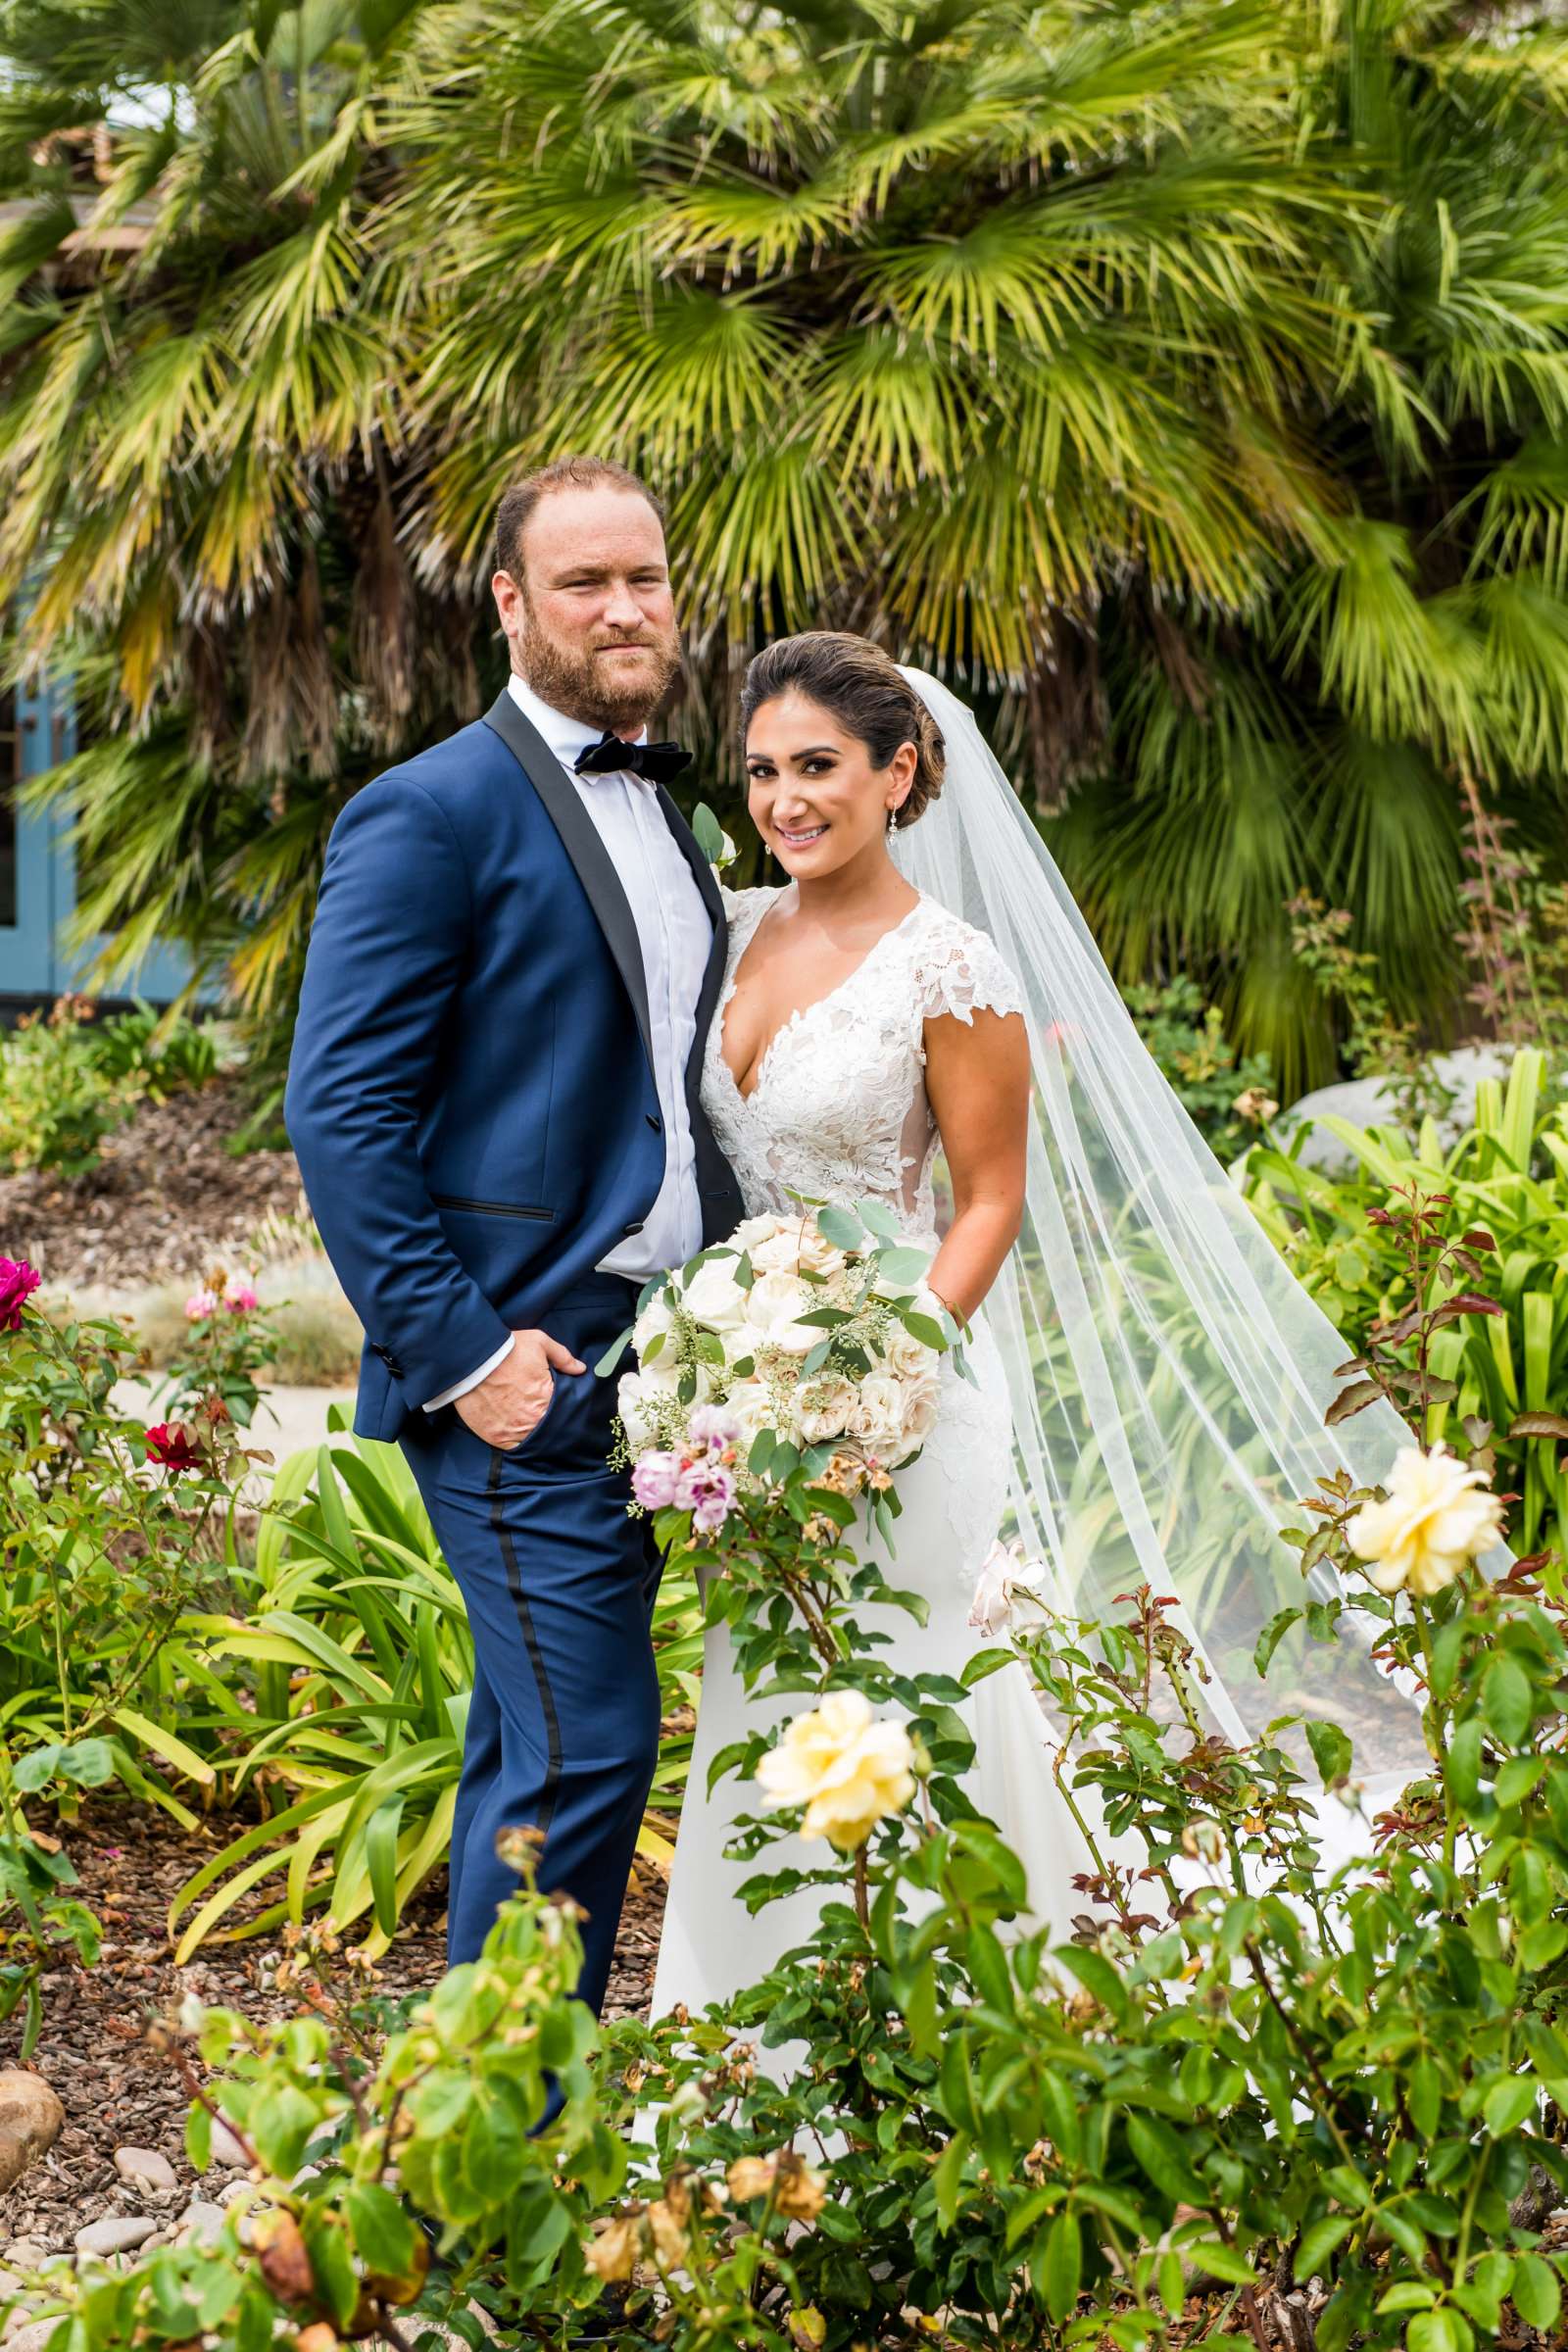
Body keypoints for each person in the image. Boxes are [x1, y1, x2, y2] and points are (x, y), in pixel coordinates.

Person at [650, 631, 1430, 2020]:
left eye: (818, 767)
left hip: (905, 1387)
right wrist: (734, 1376)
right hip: (748, 1402)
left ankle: (985, 2018)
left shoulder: (953, 969)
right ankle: (760, 2047)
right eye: (764, 771)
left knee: (910, 1683)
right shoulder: (734, 928)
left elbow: (989, 1203)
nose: (784, 800)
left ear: (898, 773)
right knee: (761, 1695)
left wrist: (882, 1378)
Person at [285, 455, 744, 2010]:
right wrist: (471, 1356)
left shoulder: (668, 814)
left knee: (538, 1741)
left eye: (646, 578)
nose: (625, 608)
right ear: (508, 603)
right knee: (592, 1748)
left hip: (654, 1377)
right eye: (584, 582)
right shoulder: (429, 813)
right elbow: (341, 1118)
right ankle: (513, 2161)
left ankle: (462, 2159)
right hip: (520, 1371)